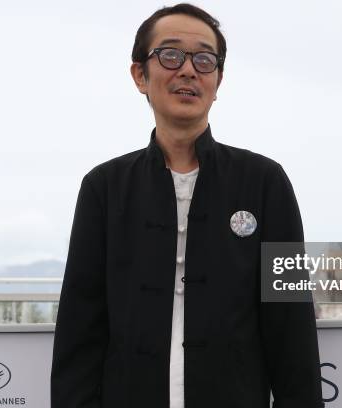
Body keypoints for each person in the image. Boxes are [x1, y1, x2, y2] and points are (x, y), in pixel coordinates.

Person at [50, 3, 323, 408]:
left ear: (219, 80)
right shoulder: (104, 188)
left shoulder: (265, 182)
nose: (189, 70)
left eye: (204, 59)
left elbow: (291, 327)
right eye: (171, 54)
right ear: (140, 74)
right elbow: (80, 329)